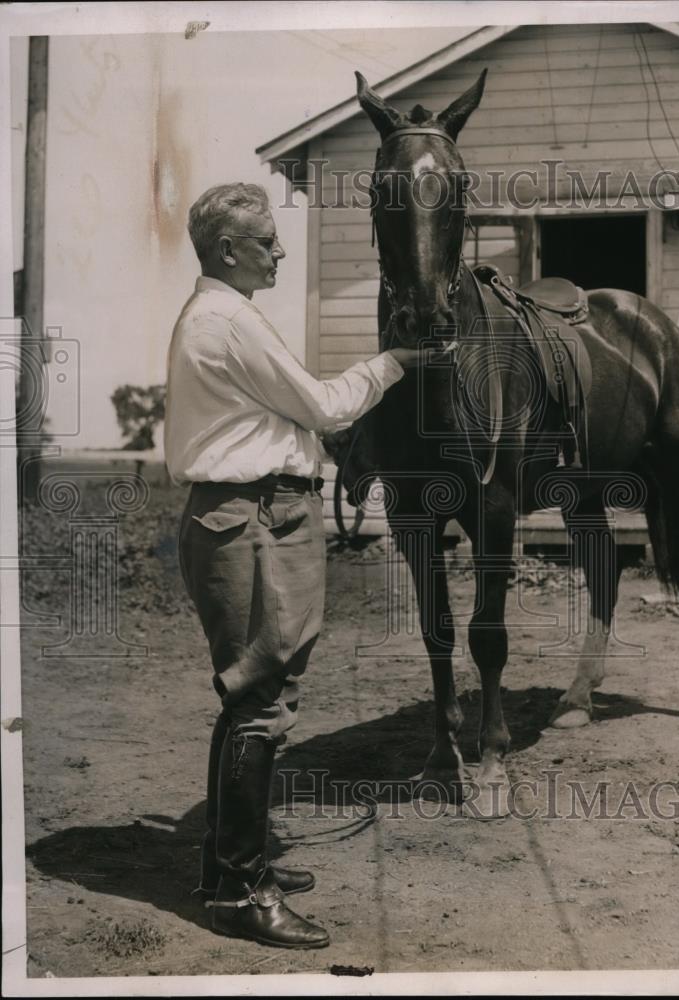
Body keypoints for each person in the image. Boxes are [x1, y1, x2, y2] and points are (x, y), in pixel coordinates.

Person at [164, 182, 426, 950]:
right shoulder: (226, 320)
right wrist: (394, 363)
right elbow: (322, 405)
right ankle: (243, 890)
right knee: (260, 699)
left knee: (255, 691)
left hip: (259, 513)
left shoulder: (224, 316)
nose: (280, 250)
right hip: (250, 519)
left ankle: (226, 867)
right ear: (228, 251)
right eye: (268, 240)